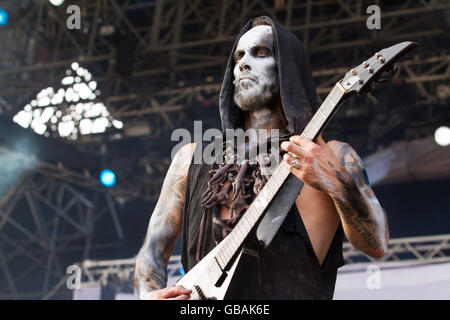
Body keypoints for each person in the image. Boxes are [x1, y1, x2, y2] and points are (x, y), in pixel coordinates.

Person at [133, 16, 389, 300]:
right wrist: (148, 295)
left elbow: (376, 244)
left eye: (261, 53)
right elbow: (152, 251)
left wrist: (339, 184)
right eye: (239, 56)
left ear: (288, 70)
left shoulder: (331, 156)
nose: (242, 63)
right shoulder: (191, 157)